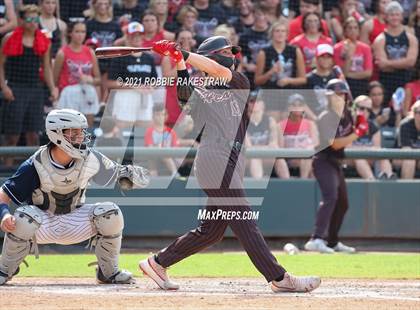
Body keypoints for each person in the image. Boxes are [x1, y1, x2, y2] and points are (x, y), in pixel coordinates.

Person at [139, 36, 321, 293]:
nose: (232, 55)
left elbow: (215, 70)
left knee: (211, 232)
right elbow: (184, 97)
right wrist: (180, 62)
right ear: (212, 56)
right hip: (215, 158)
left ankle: (158, 263)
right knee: (244, 219)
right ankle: (279, 278)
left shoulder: (238, 82)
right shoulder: (202, 90)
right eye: (225, 51)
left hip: (229, 160)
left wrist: (183, 54)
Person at [0, 108, 150, 285]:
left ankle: (108, 272)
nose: (81, 137)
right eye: (74, 132)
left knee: (111, 212)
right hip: (42, 223)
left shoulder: (90, 158)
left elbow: (117, 173)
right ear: (57, 134)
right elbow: (4, 194)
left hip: (75, 220)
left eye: (81, 132)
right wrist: (4, 214)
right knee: (24, 216)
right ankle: (4, 270)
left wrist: (130, 176)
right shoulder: (35, 164)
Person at [304, 78, 369, 254]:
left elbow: (350, 129)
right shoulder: (326, 116)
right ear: (328, 97)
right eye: (334, 94)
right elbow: (335, 144)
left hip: (336, 163)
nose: (338, 97)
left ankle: (332, 242)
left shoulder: (346, 114)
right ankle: (316, 239)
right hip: (323, 161)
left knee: (343, 203)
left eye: (341, 94)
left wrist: (359, 119)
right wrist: (358, 132)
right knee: (331, 197)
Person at [0, 5, 58, 167]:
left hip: (35, 90)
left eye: (35, 19)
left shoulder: (43, 41)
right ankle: (6, 171)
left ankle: (35, 171)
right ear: (21, 20)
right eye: (29, 19)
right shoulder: (9, 38)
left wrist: (52, 87)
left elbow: (47, 67)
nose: (33, 23)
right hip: (15, 88)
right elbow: (1, 65)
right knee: (12, 135)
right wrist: (4, 88)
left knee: (34, 134)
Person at [107, 22, 157, 129]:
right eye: (133, 35)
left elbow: (155, 80)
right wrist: (134, 86)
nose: (137, 37)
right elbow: (110, 83)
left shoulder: (149, 58)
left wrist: (151, 87)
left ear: (143, 36)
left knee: (144, 133)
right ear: (128, 36)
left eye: (139, 35)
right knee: (123, 132)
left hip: (145, 97)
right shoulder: (120, 57)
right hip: (125, 97)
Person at [53, 21, 101, 127]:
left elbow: (98, 79)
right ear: (70, 33)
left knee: (87, 128)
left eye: (83, 32)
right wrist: (55, 96)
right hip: (68, 94)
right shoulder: (62, 53)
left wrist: (90, 79)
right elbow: (54, 79)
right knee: (70, 130)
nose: (80, 35)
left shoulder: (90, 52)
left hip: (87, 92)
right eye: (77, 31)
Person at [372, 1, 419, 105]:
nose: (394, 17)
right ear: (386, 17)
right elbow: (382, 65)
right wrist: (403, 63)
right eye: (392, 15)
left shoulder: (411, 38)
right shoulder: (380, 40)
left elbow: (411, 62)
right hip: (387, 83)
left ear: (402, 16)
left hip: (406, 81)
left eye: (397, 14)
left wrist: (389, 63)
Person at [254, 20, 306, 95]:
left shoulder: (295, 51)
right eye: (277, 31)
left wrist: (288, 80)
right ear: (272, 34)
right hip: (270, 92)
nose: (280, 34)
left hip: (291, 93)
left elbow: (303, 79)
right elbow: (257, 80)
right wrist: (270, 72)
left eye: (283, 31)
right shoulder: (264, 52)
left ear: (287, 34)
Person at [349, 95, 395, 179]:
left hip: (368, 157)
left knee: (383, 156)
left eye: (369, 110)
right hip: (348, 158)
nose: (365, 112)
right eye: (362, 108)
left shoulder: (372, 126)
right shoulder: (347, 124)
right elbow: (348, 148)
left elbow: (377, 148)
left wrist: (363, 149)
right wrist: (367, 149)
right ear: (354, 108)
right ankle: (372, 182)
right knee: (359, 158)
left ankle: (389, 180)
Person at [245, 98, 288, 179]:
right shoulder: (243, 123)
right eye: (252, 101)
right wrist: (266, 147)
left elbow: (274, 144)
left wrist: (259, 148)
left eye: (257, 101)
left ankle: (290, 187)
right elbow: (248, 148)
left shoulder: (270, 121)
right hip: (248, 157)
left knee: (280, 159)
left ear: (263, 104)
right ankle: (258, 189)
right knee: (255, 158)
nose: (255, 104)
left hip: (266, 155)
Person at [278, 94, 318, 179]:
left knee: (312, 160)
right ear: (289, 107)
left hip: (306, 158)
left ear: (304, 108)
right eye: (293, 105)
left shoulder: (310, 124)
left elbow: (315, 144)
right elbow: (280, 148)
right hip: (289, 158)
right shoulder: (280, 125)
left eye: (300, 105)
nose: (297, 108)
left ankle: (304, 183)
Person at [333, 16, 373, 99]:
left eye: (355, 28)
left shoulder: (365, 48)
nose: (353, 31)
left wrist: (349, 74)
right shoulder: (337, 48)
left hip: (361, 84)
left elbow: (368, 73)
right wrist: (348, 57)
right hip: (344, 84)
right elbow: (341, 73)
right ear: (345, 30)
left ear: (359, 30)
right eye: (350, 28)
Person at [144, 104, 179, 176]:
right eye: (157, 115)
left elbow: (175, 148)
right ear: (153, 116)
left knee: (166, 155)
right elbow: (149, 148)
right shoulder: (150, 131)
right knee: (153, 157)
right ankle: (154, 175)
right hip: (154, 156)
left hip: (169, 156)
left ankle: (175, 174)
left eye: (162, 114)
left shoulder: (171, 132)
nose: (160, 117)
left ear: (166, 116)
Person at [305, 44, 336, 116]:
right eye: (323, 57)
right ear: (317, 58)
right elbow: (305, 103)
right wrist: (315, 119)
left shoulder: (335, 77)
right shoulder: (309, 78)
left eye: (328, 57)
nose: (326, 60)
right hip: (314, 116)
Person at [399, 100, 420, 179]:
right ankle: (405, 190)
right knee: (409, 161)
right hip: (399, 157)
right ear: (414, 114)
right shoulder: (405, 125)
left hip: (417, 157)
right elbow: (406, 150)